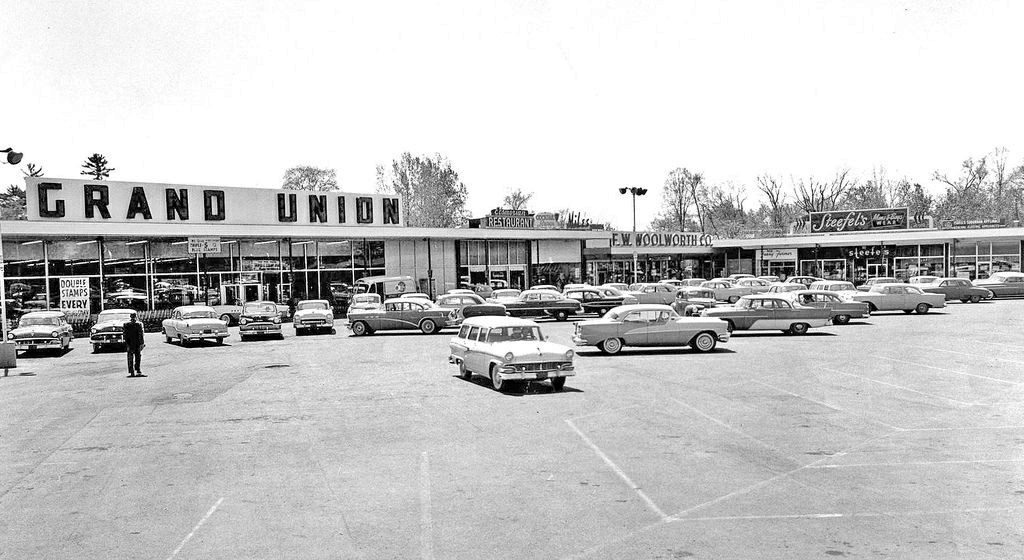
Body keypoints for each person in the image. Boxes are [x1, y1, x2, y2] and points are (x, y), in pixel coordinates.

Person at [123, 312, 146, 378]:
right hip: (137, 343)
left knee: (130, 357)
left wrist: (126, 342)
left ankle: (132, 370)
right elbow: (141, 334)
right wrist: (142, 343)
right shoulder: (138, 324)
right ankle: (137, 369)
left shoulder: (126, 324)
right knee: (137, 357)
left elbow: (124, 334)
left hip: (130, 343)